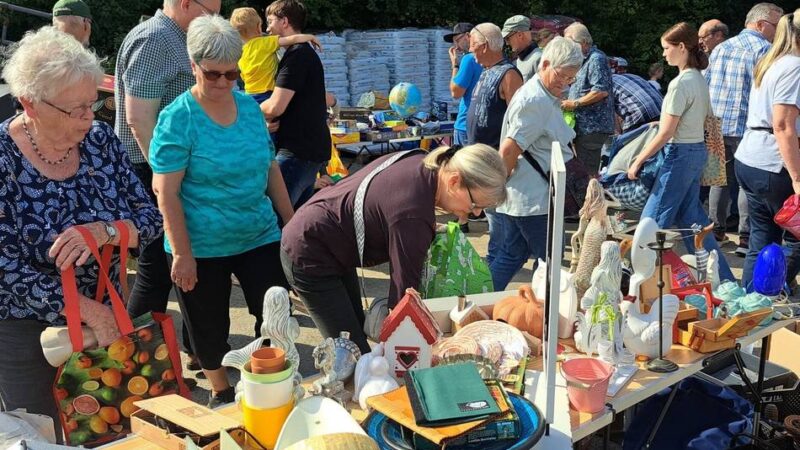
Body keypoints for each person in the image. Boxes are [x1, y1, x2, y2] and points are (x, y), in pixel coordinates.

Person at [0, 27, 161, 436]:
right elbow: (5, 268)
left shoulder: (100, 141)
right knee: (42, 434)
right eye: (76, 109)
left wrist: (106, 231)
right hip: (29, 333)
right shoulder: (3, 158)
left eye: (93, 104)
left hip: (107, 320)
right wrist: (85, 309)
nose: (89, 118)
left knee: (109, 429)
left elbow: (150, 219)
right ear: (30, 103)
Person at [150, 16, 293, 407]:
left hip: (258, 233)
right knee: (208, 326)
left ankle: (268, 382)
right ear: (193, 65)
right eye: (213, 74)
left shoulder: (249, 108)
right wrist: (182, 254)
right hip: (201, 243)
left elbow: (270, 168)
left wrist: (291, 222)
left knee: (276, 314)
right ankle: (221, 390)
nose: (224, 83)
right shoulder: (178, 118)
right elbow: (166, 191)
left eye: (232, 74)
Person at [281, 144, 507, 353]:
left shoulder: (423, 161)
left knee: (355, 330)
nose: (476, 213)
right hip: (310, 252)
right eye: (476, 204)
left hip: (326, 236)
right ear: (455, 181)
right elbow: (402, 304)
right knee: (351, 353)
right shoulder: (413, 215)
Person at [115, 0, 220, 374]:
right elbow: (139, 119)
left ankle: (195, 351)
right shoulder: (156, 39)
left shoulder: (175, 38)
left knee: (181, 264)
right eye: (210, 10)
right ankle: (134, 364)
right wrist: (165, 180)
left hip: (167, 171)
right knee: (157, 270)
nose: (214, 18)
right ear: (187, 3)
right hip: (152, 172)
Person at [627, 22, 735, 282]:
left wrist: (638, 160)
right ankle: (723, 280)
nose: (664, 54)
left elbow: (667, 133)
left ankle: (639, 281)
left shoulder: (679, 84)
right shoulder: (698, 78)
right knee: (693, 221)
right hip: (695, 152)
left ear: (682, 47)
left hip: (679, 154)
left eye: (667, 48)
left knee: (651, 223)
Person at [490, 37, 583, 290]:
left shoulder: (542, 95)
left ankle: (480, 301)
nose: (565, 83)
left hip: (529, 197)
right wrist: (494, 190)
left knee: (512, 255)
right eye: (562, 76)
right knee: (549, 261)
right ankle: (543, 308)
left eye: (571, 78)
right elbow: (509, 150)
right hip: (534, 200)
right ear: (546, 64)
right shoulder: (535, 101)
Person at [705, 3, 783, 254]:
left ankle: (715, 231)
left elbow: (707, 82)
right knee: (744, 186)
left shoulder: (720, 48)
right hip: (744, 124)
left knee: (718, 179)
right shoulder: (765, 50)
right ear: (760, 24)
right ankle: (746, 237)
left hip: (715, 123)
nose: (779, 31)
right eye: (776, 25)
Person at [735, 10, 800, 289]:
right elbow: (783, 125)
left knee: (761, 239)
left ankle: (752, 300)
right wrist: (797, 179)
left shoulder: (773, 62)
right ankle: (773, 288)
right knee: (794, 236)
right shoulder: (795, 67)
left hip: (752, 158)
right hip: (774, 163)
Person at [260, 0, 331, 209]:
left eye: (270, 21)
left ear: (284, 21)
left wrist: (245, 110)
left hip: (297, 151)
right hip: (307, 150)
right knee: (296, 218)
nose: (267, 29)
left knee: (274, 216)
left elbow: (276, 106)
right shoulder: (300, 53)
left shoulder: (297, 56)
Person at [466, 22, 523, 262]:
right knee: (491, 213)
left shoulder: (509, 74)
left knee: (497, 214)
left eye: (472, 46)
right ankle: (497, 257)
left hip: (495, 159)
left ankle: (497, 260)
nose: (470, 51)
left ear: (484, 46)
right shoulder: (487, 71)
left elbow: (519, 122)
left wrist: (506, 160)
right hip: (482, 158)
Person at [229, 7, 321, 104]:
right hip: (267, 94)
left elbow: (243, 76)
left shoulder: (241, 53)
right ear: (259, 27)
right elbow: (291, 39)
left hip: (250, 95)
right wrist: (310, 37)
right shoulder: (265, 42)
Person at [563, 22, 615, 174]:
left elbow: (601, 91)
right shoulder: (583, 59)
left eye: (570, 42)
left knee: (587, 174)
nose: (568, 47)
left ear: (584, 42)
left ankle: (590, 190)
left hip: (593, 127)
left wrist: (574, 103)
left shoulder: (596, 59)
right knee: (581, 170)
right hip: (584, 127)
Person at [446, 22, 482, 147]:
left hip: (465, 125)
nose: (456, 47)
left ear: (468, 36)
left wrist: (455, 64)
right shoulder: (492, 58)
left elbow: (455, 93)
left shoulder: (469, 59)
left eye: (457, 40)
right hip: (485, 124)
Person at [502, 15, 539, 82]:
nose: (507, 43)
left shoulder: (538, 59)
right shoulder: (517, 60)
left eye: (507, 38)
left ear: (520, 35)